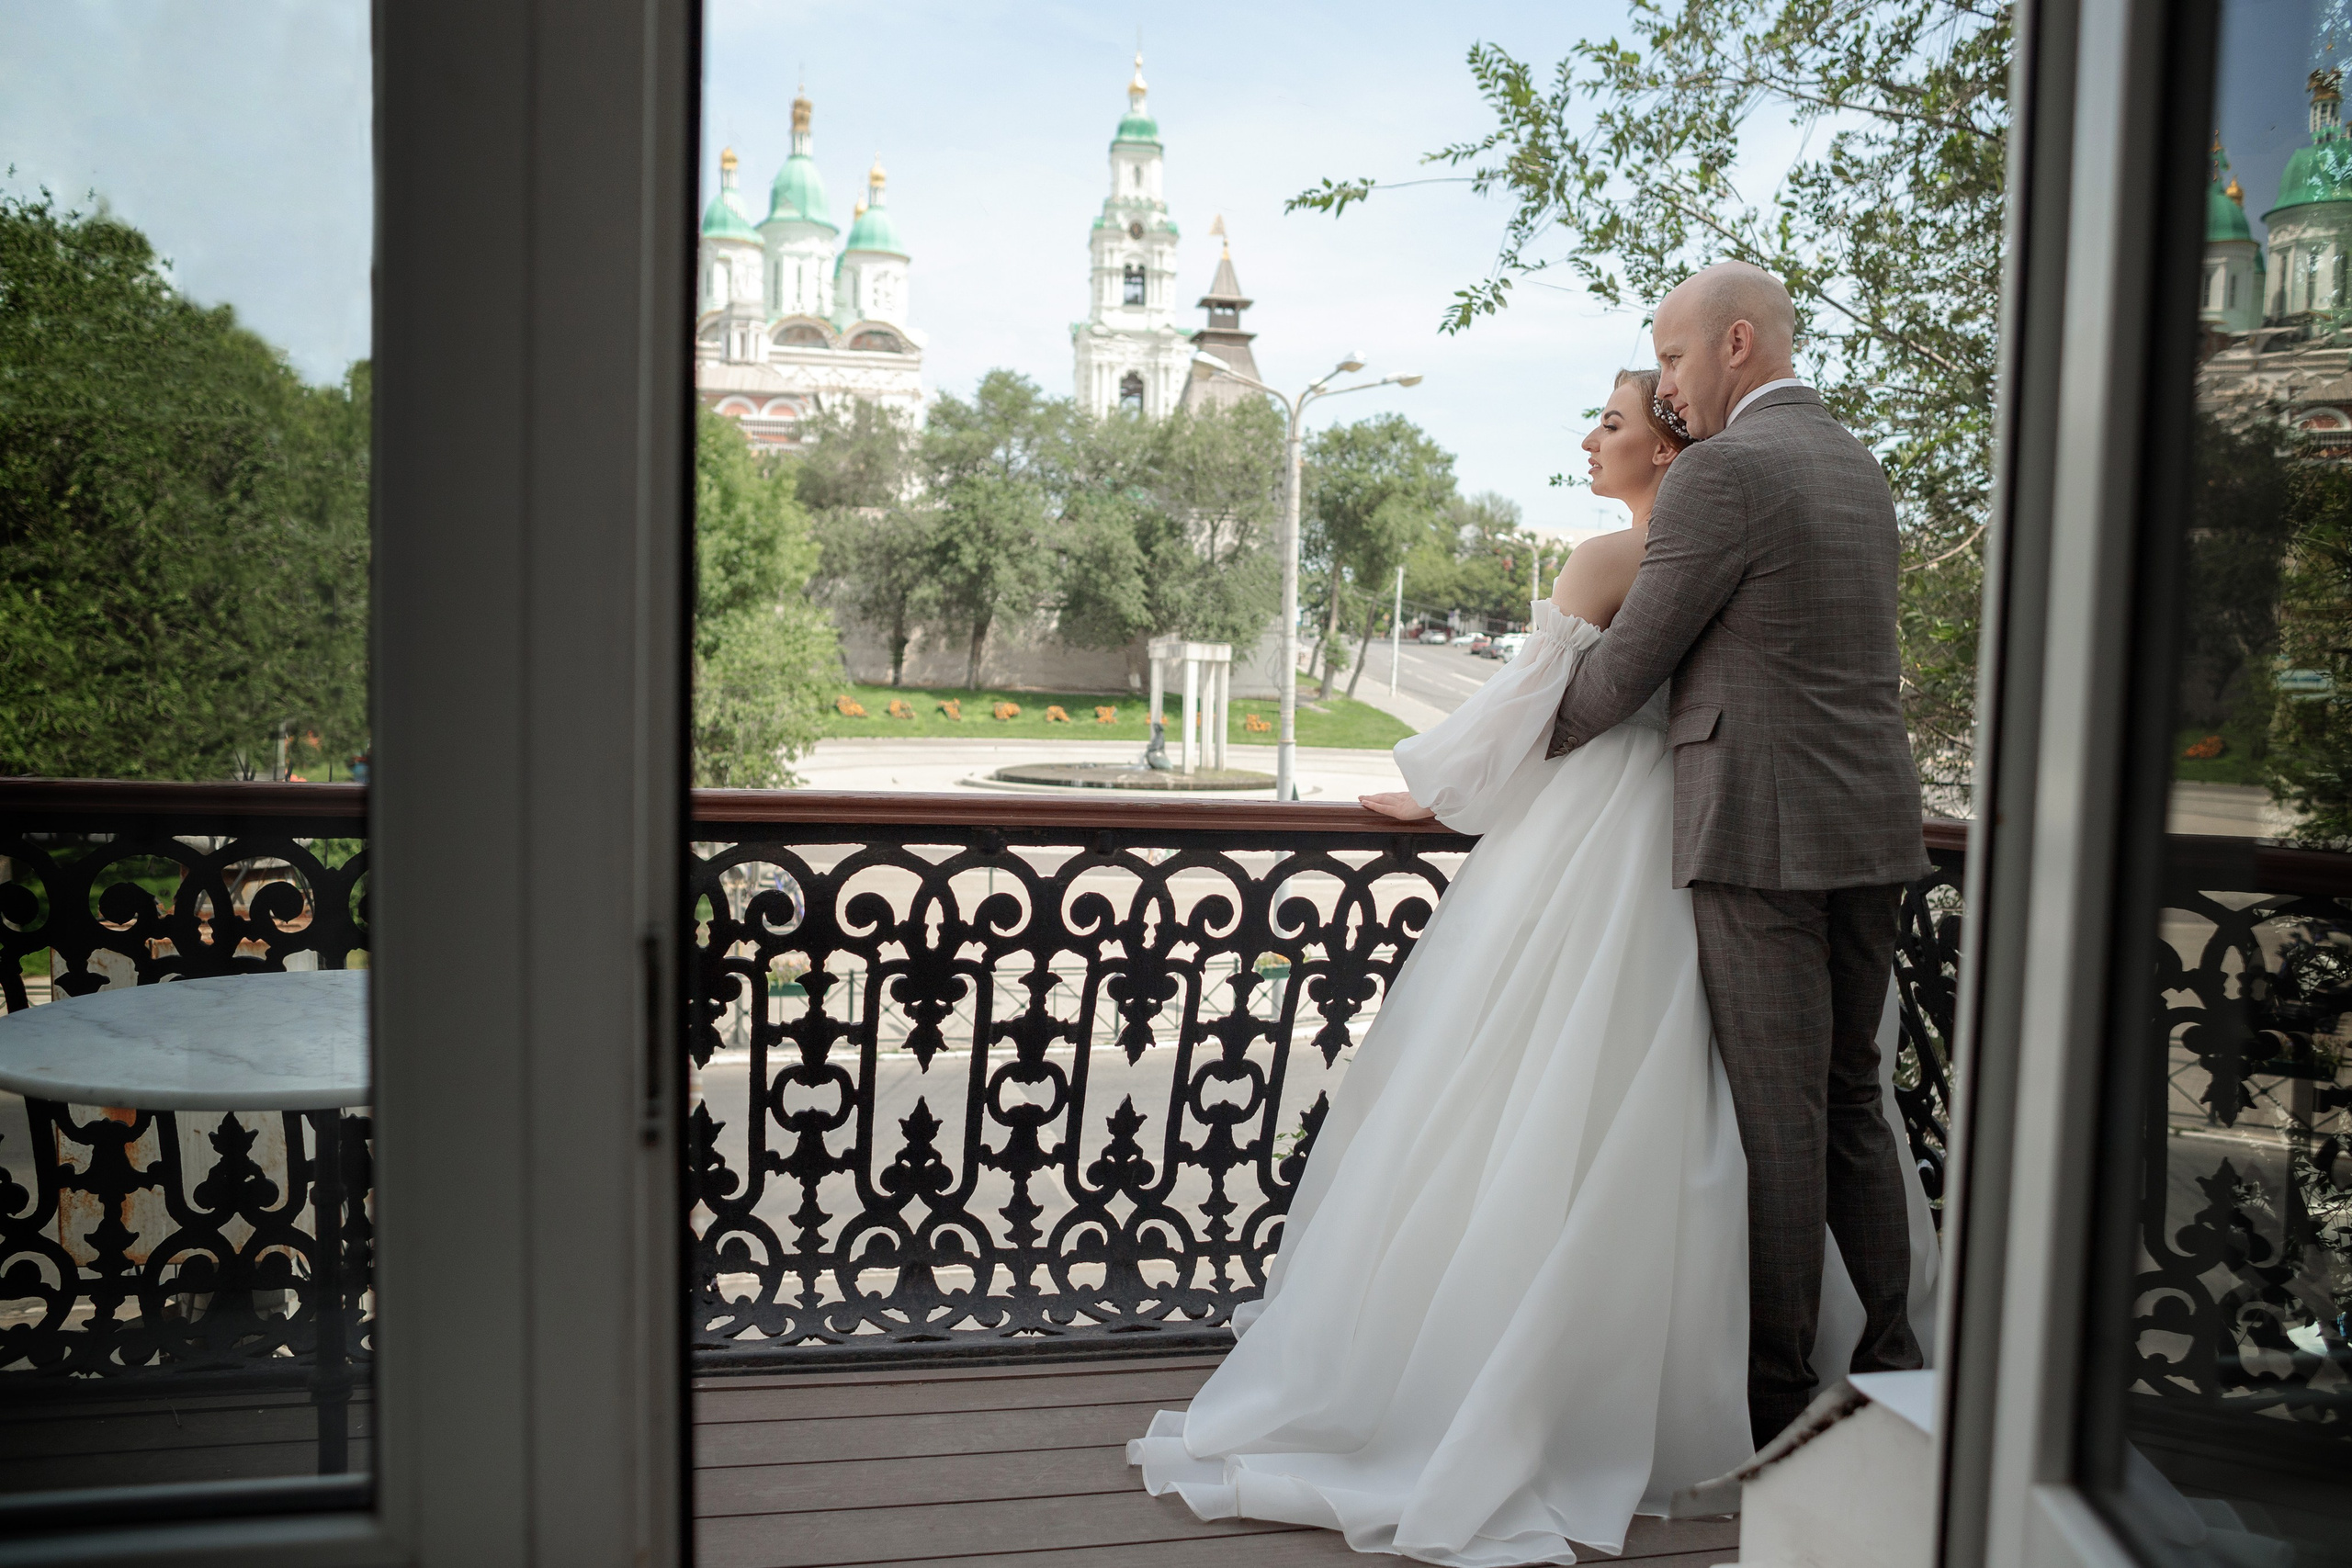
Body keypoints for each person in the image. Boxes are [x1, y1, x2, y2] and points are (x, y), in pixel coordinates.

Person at [1128, 369, 1932, 1565]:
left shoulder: (1619, 558)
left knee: (1579, 1092)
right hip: (1741, 832)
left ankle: (1706, 1389)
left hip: (1648, 838)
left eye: (1612, 421)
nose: (1591, 439)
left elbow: (1561, 696)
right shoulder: (1799, 502)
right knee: (1756, 1109)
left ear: (1670, 451)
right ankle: (1835, 1380)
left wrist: (1444, 786)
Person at [1544, 263, 1930, 1446]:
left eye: (1670, 356)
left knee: (1779, 1126)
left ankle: (1781, 1409)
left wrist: (1510, 750)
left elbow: (1627, 666)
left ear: (1738, 345)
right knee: (1851, 1102)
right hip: (1874, 828)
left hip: (1761, 839)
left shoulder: (1724, 472)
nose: (1665, 383)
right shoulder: (1857, 464)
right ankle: (1896, 1361)